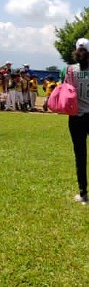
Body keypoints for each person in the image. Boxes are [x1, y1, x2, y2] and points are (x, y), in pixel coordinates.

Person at [64, 38, 89, 203]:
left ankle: (83, 193)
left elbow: (66, 91)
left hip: (76, 117)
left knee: (80, 155)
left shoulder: (70, 70)